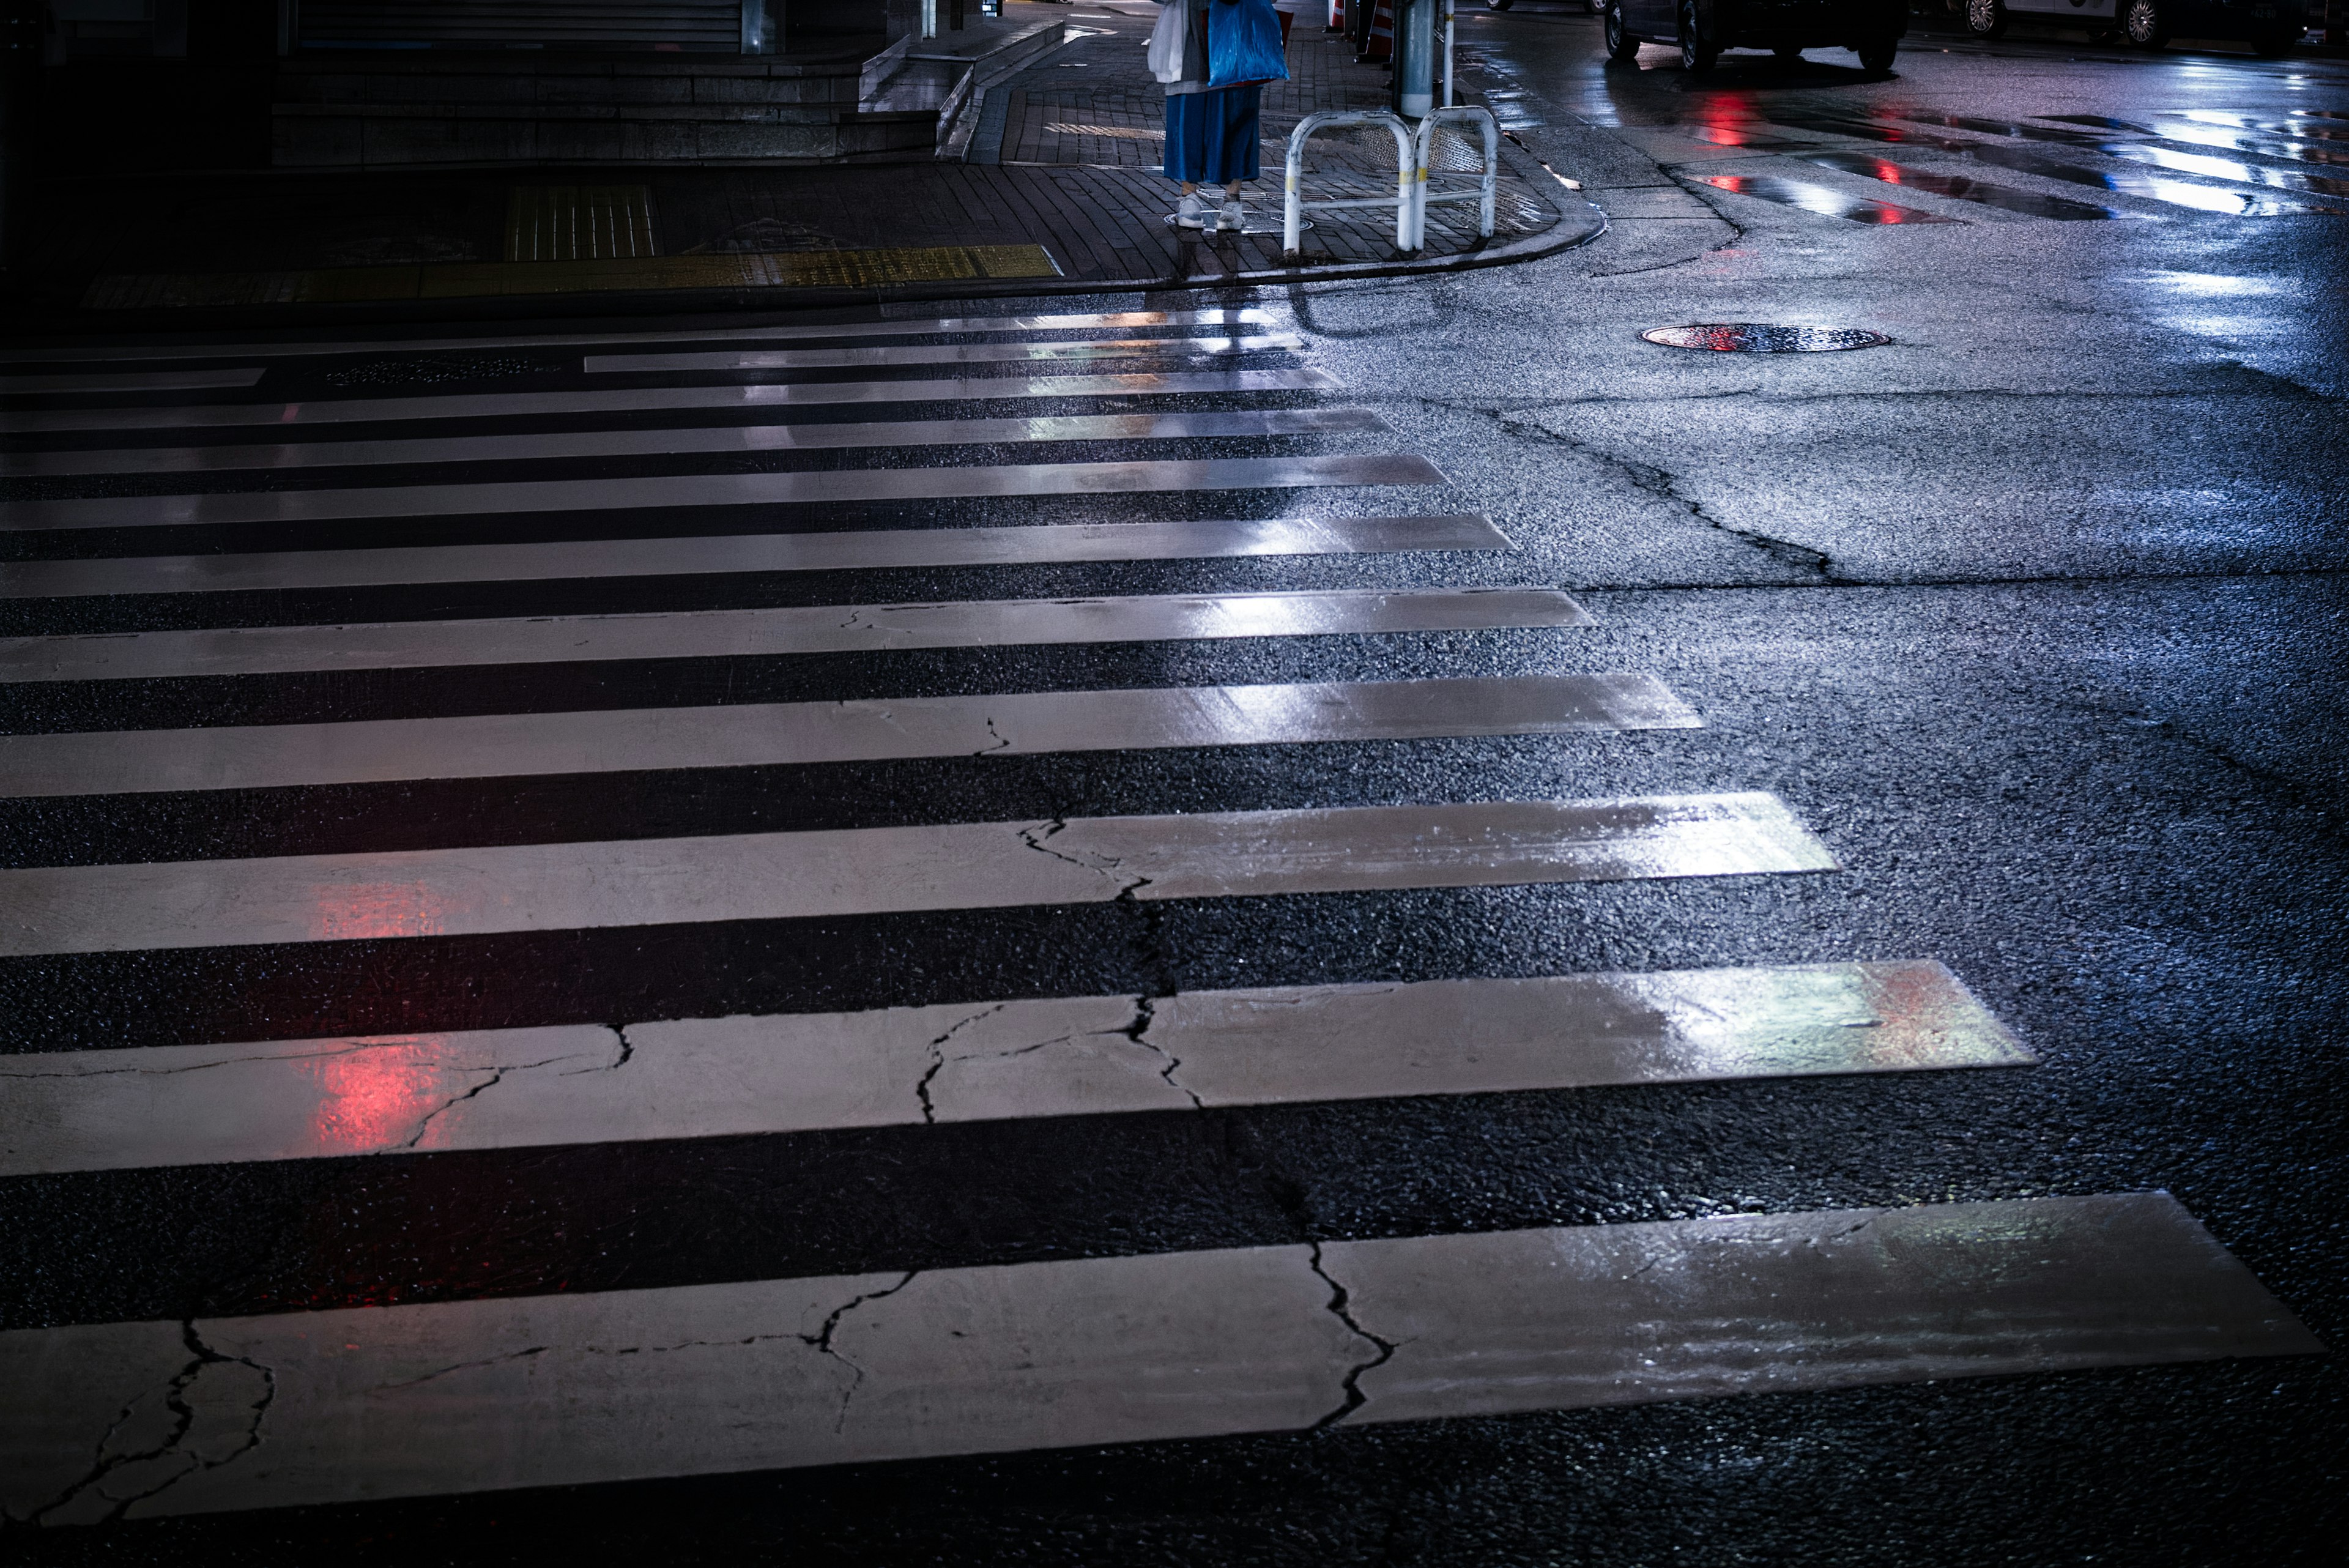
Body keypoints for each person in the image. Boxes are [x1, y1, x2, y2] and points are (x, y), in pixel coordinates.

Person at [1157, 0, 1272, 233]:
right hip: (1237, 41)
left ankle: (1191, 200)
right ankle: (1231, 203)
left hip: (1193, 42)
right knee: (1235, 122)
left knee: (1190, 121)